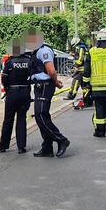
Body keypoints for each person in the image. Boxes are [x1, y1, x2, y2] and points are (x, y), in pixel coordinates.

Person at [26, 27, 71, 158]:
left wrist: (56, 81)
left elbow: (51, 71)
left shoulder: (44, 50)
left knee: (40, 115)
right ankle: (47, 147)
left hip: (45, 85)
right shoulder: (36, 51)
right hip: (40, 86)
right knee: (43, 115)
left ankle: (62, 140)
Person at [0, 38, 32, 154]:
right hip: (25, 93)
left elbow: (4, 78)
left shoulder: (10, 62)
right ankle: (21, 146)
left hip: (12, 93)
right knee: (21, 119)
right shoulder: (28, 61)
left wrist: (7, 88)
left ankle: (4, 145)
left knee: (8, 119)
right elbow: (33, 76)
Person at [64, 37, 89, 101]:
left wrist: (77, 66)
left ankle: (71, 95)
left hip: (81, 69)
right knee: (83, 84)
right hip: (84, 69)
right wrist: (74, 55)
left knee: (75, 82)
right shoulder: (83, 48)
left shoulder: (81, 48)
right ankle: (86, 97)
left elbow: (81, 59)